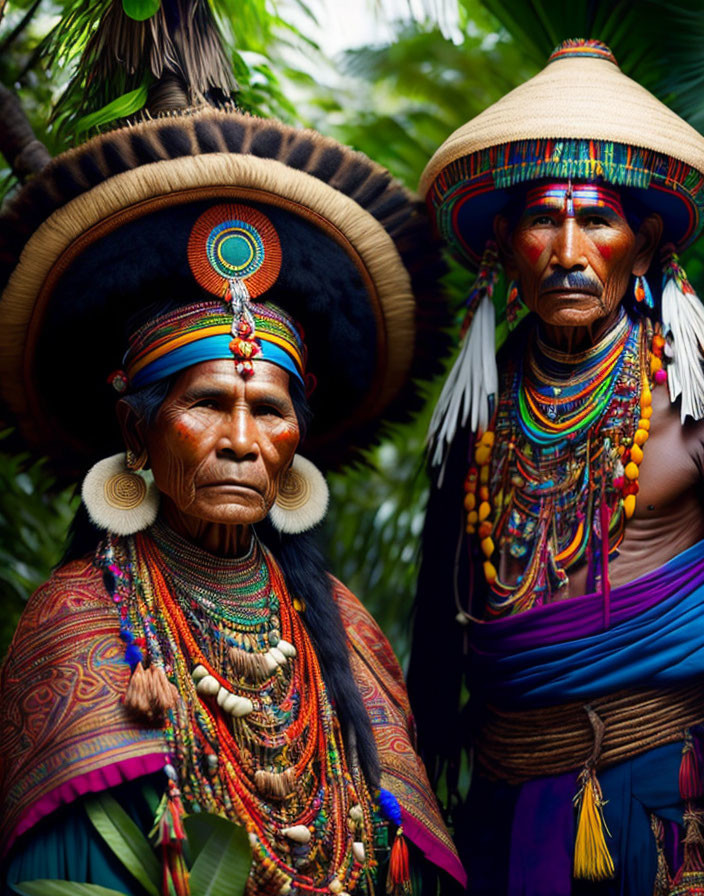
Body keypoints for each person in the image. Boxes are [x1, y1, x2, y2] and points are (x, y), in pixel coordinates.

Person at [0, 102, 466, 895]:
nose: (242, 441)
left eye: (271, 411)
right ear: (135, 432)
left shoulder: (347, 634)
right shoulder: (77, 628)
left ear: (295, 446)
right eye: (208, 404)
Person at [409, 38, 704, 895]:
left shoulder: (690, 394)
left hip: (667, 793)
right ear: (503, 244)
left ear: (643, 244)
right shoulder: (480, 410)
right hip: (502, 795)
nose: (569, 250)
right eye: (543, 219)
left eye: (596, 220)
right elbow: (441, 616)